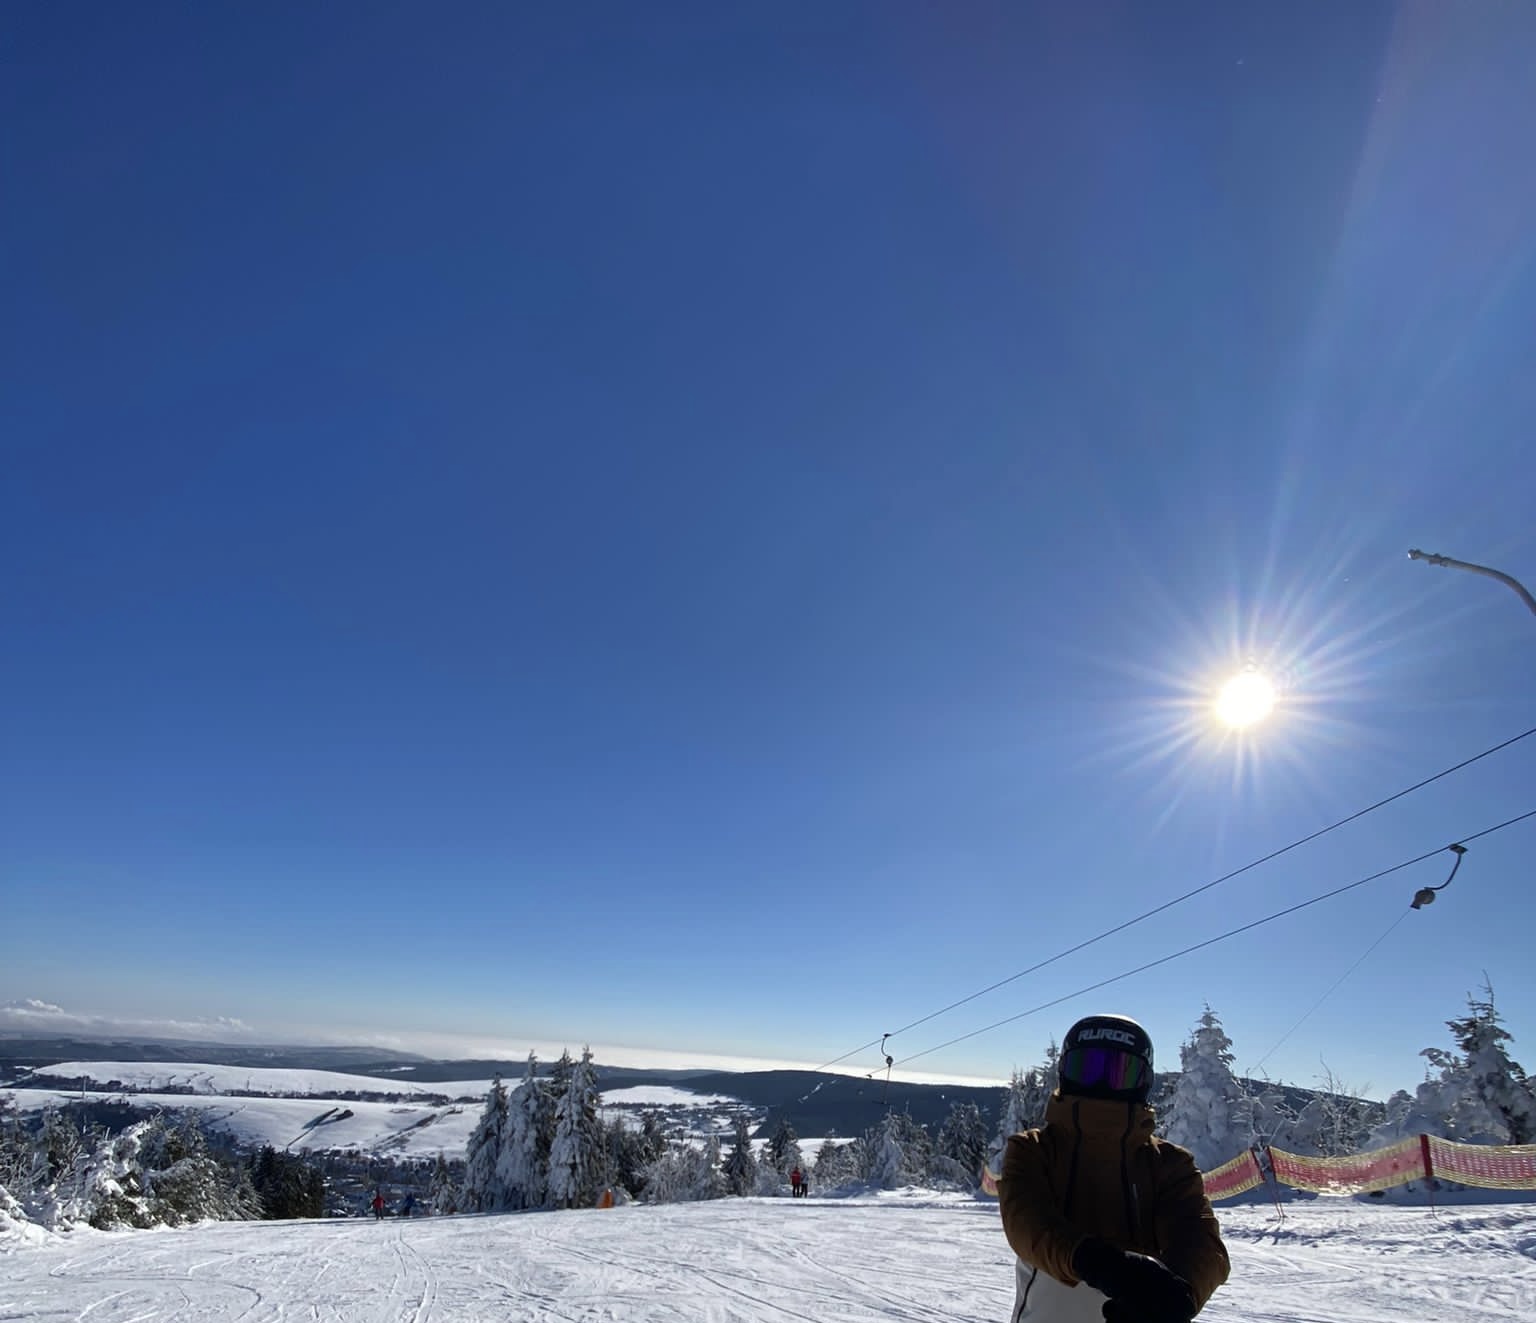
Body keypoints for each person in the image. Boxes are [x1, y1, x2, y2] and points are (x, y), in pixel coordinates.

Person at [997, 1014, 1229, 1323]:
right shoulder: (1034, 1150)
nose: (1102, 1084)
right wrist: (1097, 1262)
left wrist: (1182, 1293)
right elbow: (1026, 1221)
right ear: (1065, 1073)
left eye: (1120, 1073)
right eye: (1087, 1069)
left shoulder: (1170, 1165)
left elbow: (1200, 1241)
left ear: (1143, 1081)